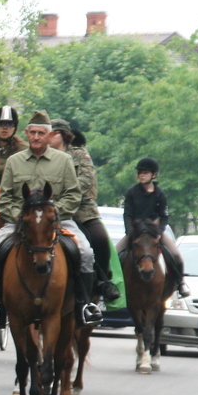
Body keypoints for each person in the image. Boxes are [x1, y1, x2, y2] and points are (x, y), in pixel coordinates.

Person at [0, 110, 102, 326]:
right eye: (33, 132)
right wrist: (22, 218)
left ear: (49, 136)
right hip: (19, 222)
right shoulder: (14, 161)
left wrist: (52, 215)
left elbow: (73, 194)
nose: (37, 137)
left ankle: (84, 304)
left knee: (85, 251)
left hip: (56, 221)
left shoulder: (64, 160)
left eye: (41, 133)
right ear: (27, 133)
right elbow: (4, 199)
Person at [49, 119, 120, 302]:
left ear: (63, 135)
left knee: (100, 238)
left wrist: (65, 192)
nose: (48, 137)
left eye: (53, 133)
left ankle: (102, 281)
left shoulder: (80, 154)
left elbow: (87, 179)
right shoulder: (45, 156)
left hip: (82, 209)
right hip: (51, 208)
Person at [118, 157, 191, 296]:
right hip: (135, 232)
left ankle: (181, 283)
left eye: (145, 173)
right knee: (115, 255)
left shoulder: (160, 194)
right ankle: (112, 284)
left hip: (154, 232)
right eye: (140, 172)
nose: (141, 175)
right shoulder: (132, 192)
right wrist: (130, 232)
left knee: (176, 255)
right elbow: (127, 214)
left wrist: (159, 232)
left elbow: (164, 216)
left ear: (154, 175)